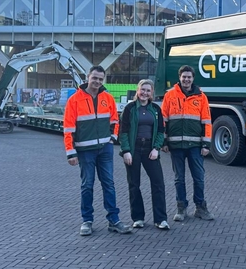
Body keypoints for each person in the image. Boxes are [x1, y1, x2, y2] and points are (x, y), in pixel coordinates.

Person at [63, 65, 132, 236]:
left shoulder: (108, 98)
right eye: (94, 78)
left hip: (105, 150)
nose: (97, 81)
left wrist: (112, 139)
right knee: (87, 185)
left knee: (109, 184)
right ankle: (87, 220)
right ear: (88, 77)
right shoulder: (74, 100)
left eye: (101, 79)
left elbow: (115, 120)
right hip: (85, 151)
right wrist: (70, 152)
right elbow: (68, 128)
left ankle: (114, 220)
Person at [161, 65, 216, 221]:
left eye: (189, 77)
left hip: (195, 146)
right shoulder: (170, 95)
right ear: (179, 77)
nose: (186, 79)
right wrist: (163, 141)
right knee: (179, 179)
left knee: (199, 178)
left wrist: (206, 144)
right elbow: (163, 120)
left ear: (193, 78)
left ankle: (200, 208)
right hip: (176, 146)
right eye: (184, 77)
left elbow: (207, 121)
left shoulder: (201, 97)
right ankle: (181, 208)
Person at [119, 79, 170, 230]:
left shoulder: (155, 109)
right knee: (134, 184)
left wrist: (156, 148)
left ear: (152, 92)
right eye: (143, 89)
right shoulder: (129, 109)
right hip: (133, 149)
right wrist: (126, 151)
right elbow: (123, 131)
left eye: (148, 90)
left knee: (158, 183)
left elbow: (160, 131)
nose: (145, 93)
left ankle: (160, 219)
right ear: (137, 90)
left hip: (150, 149)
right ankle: (138, 218)